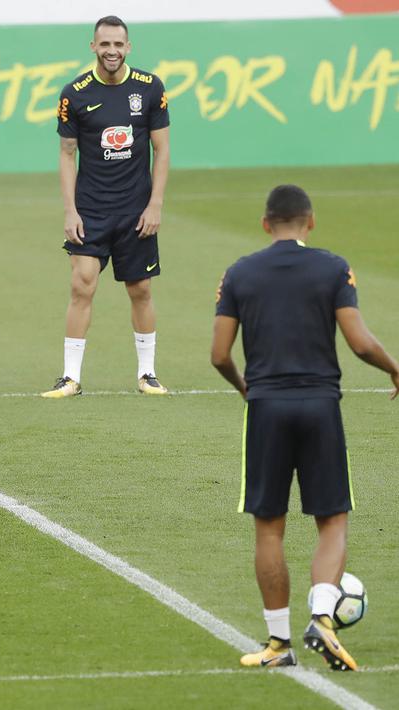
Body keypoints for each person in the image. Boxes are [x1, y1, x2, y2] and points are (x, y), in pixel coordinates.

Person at [212, 185, 399, 672]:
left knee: (268, 527)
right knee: (332, 519)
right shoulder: (334, 268)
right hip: (320, 405)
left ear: (265, 223)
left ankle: (278, 644)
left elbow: (218, 355)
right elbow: (358, 343)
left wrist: (244, 386)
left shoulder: (239, 273)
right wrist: (395, 369)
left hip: (267, 407)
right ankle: (322, 616)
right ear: (310, 222)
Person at [43, 15, 171, 398]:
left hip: (136, 210)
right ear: (93, 47)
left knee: (141, 289)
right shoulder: (74, 93)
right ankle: (70, 377)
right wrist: (70, 211)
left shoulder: (149, 88)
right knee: (81, 284)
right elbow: (67, 155)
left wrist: (155, 205)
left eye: (118, 44)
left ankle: (147, 373)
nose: (111, 51)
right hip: (91, 210)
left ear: (128, 47)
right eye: (105, 44)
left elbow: (161, 150)